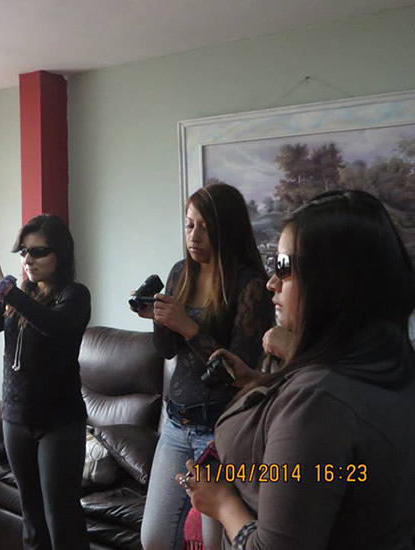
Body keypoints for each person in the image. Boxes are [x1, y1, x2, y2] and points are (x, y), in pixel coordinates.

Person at [180, 190, 415, 549]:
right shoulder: (387, 365)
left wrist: (222, 503)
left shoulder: (319, 404)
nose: (272, 282)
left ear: (331, 282)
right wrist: (260, 381)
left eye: (284, 266)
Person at [136, 183, 274, 550]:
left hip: (220, 430)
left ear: (227, 230)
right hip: (175, 423)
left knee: (214, 544)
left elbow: (239, 372)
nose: (194, 236)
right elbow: (166, 351)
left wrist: (189, 327)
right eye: (189, 224)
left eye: (205, 227)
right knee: (153, 538)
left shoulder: (250, 285)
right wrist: (159, 318)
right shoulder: (180, 272)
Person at [0, 214, 91, 550]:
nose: (28, 259)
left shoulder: (74, 295)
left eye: (38, 252)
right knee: (32, 519)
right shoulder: (16, 301)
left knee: (62, 521)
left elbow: (55, 326)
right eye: (24, 251)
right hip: (15, 419)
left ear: (61, 255)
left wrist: (8, 291)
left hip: (59, 423)